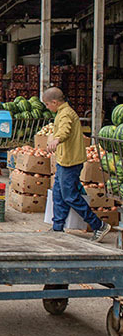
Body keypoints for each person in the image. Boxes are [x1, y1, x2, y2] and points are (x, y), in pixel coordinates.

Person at [43, 87, 110, 241]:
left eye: (47, 104)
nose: (47, 108)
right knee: (58, 194)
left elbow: (65, 131)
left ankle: (98, 225)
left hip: (70, 162)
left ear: (54, 102)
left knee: (70, 196)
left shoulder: (66, 113)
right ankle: (57, 227)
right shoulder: (62, 112)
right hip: (63, 160)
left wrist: (56, 139)